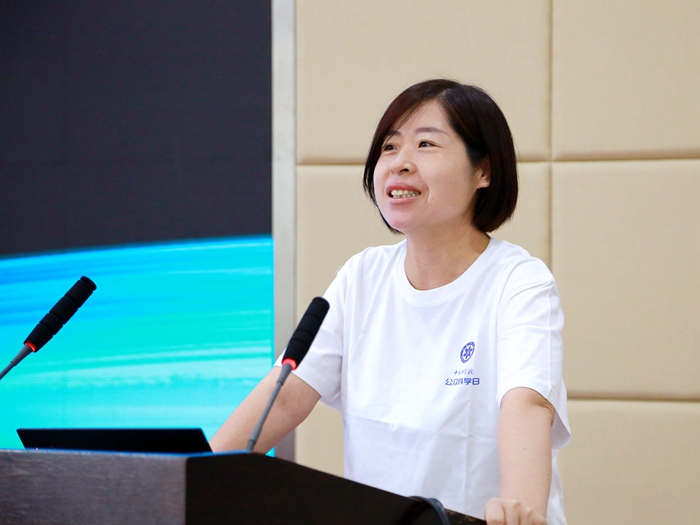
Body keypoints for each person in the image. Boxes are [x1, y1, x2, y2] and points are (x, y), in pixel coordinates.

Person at [210, 79, 570, 525]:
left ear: (484, 171)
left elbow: (527, 405)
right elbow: (284, 398)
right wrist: (189, 481)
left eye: (426, 144)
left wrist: (521, 510)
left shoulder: (518, 281)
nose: (400, 163)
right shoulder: (362, 277)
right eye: (389, 147)